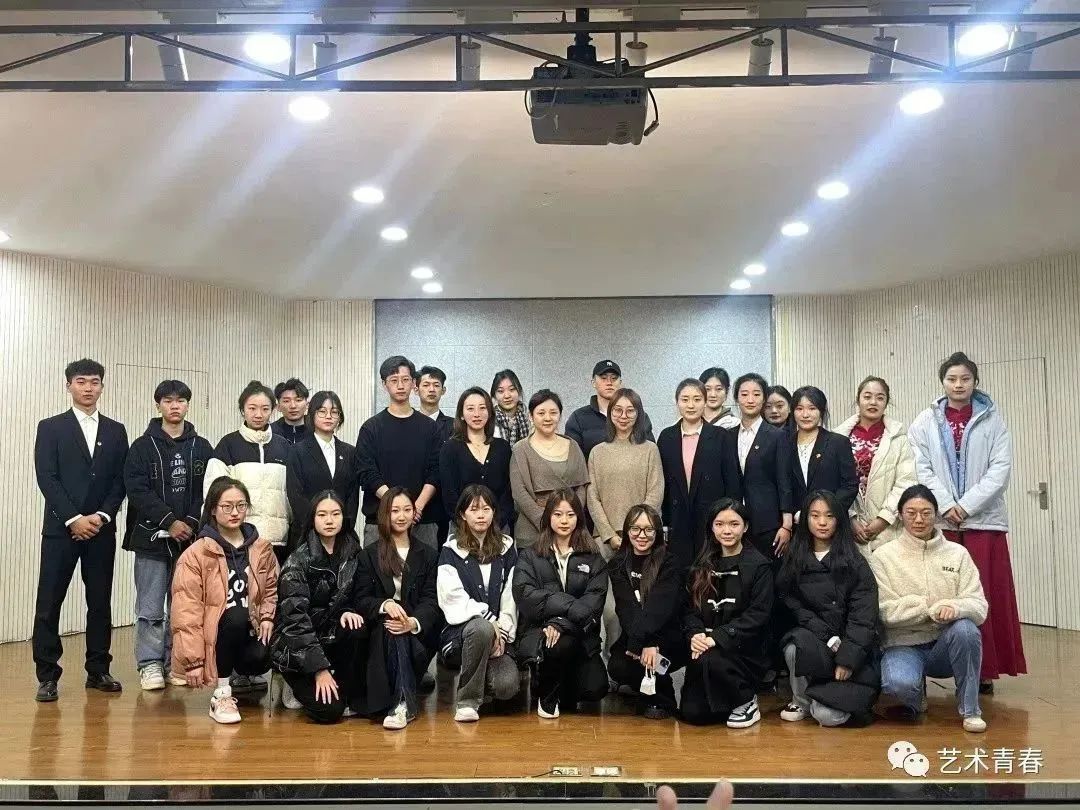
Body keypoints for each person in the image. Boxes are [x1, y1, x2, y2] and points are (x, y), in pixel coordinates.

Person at [907, 352, 1025, 692]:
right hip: (942, 523)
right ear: (942, 382)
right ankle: (935, 665)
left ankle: (983, 669)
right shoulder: (925, 421)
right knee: (941, 593)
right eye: (952, 379)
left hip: (983, 523)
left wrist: (967, 505)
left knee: (984, 593)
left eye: (965, 379)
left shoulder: (993, 420)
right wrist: (946, 505)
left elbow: (1000, 469)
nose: (958, 385)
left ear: (975, 382)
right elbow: (921, 466)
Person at [33, 358, 130, 703]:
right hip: (61, 530)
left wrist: (101, 516)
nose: (88, 388)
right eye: (81, 381)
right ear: (68, 386)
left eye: (94, 382)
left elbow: (121, 479)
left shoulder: (116, 430)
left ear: (102, 386)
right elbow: (47, 477)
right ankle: (47, 675)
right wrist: (74, 518)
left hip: (101, 531)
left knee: (99, 602)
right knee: (49, 603)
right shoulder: (51, 427)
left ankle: (98, 669)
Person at [871, 485, 989, 733]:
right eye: (911, 512)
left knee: (966, 629)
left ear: (936, 515)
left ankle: (970, 709)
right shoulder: (882, 556)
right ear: (900, 515)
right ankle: (915, 696)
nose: (919, 519)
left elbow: (979, 606)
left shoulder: (958, 554)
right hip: (903, 644)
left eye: (926, 513)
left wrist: (954, 607)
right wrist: (926, 608)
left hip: (944, 645)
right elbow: (882, 611)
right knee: (898, 685)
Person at [123, 379, 213, 691]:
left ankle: (177, 661)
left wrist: (189, 522)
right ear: (158, 405)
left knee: (184, 605)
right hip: (150, 539)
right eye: (168, 401)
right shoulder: (141, 447)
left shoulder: (202, 447)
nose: (175, 406)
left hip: (190, 540)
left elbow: (209, 490)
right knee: (150, 607)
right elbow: (136, 490)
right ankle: (149, 664)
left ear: (188, 405)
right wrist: (169, 521)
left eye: (180, 401)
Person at [171, 477, 278, 724]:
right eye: (227, 506)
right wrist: (193, 662)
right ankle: (221, 694)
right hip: (217, 633)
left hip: (251, 630)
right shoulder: (196, 554)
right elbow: (186, 612)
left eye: (241, 505)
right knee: (235, 614)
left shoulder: (261, 548)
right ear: (212, 509)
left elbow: (271, 588)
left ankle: (273, 681)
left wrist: (267, 616)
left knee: (276, 630)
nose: (235, 513)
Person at [775, 490, 880, 727]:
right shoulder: (794, 557)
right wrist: (825, 634)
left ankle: (821, 701)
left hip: (849, 645)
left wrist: (848, 658)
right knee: (793, 646)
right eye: (815, 516)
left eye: (829, 516)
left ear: (839, 520)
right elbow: (789, 601)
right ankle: (801, 701)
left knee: (828, 717)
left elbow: (863, 616)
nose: (822, 522)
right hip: (816, 640)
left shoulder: (855, 562)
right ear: (806, 519)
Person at [270, 491, 368, 724]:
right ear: (312, 519)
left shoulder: (354, 553)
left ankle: (341, 684)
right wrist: (318, 669)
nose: (329, 520)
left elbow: (360, 595)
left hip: (331, 637)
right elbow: (295, 621)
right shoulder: (297, 561)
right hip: (297, 646)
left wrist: (348, 610)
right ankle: (292, 678)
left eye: (335, 514)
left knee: (358, 627)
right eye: (322, 515)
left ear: (344, 517)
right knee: (330, 712)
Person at [514, 489, 609, 718]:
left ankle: (561, 686)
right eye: (557, 514)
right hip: (541, 633)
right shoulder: (530, 555)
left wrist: (559, 623)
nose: (564, 520)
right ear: (548, 517)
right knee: (557, 643)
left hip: (580, 635)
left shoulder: (593, 557)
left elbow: (593, 604)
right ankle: (546, 691)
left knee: (595, 688)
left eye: (570, 514)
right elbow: (526, 596)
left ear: (579, 518)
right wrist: (565, 612)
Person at [680, 499, 773, 727]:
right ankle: (725, 701)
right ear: (712, 528)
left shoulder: (759, 566)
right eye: (719, 524)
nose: (727, 531)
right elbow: (690, 609)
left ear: (745, 527)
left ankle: (746, 699)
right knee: (693, 714)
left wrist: (718, 637)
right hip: (706, 647)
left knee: (711, 658)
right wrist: (696, 634)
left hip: (744, 649)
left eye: (734, 524)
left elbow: (758, 615)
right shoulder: (702, 564)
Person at [355, 487, 442, 730]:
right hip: (380, 637)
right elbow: (361, 599)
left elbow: (432, 600)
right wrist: (386, 604)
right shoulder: (369, 555)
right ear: (385, 514)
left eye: (407, 510)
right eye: (395, 511)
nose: (401, 516)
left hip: (418, 636)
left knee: (400, 629)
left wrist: (412, 623)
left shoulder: (429, 555)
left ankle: (402, 703)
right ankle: (403, 704)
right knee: (393, 628)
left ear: (414, 513)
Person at [437, 485, 521, 722]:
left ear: (494, 512)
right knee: (481, 628)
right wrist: (490, 621)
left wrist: (502, 631)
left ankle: (481, 677)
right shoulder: (451, 550)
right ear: (463, 514)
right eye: (474, 510)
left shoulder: (507, 547)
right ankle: (467, 702)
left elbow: (511, 595)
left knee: (506, 687)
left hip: (500, 637)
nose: (481, 515)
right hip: (461, 636)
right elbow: (451, 597)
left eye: (486, 509)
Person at [606, 504, 686, 719]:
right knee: (618, 666)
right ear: (627, 531)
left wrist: (651, 643)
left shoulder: (670, 562)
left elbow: (661, 607)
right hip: (636, 636)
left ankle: (664, 695)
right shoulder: (617, 563)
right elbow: (626, 607)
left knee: (655, 658)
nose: (642, 535)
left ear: (657, 532)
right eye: (635, 528)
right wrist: (642, 643)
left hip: (667, 635)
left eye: (649, 529)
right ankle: (647, 687)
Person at [354, 355, 441, 549]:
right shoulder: (371, 428)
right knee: (377, 568)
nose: (400, 385)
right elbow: (366, 472)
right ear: (384, 385)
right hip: (381, 521)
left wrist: (416, 507)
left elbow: (436, 471)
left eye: (405, 379)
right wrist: (396, 507)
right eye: (394, 380)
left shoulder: (430, 427)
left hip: (422, 520)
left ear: (414, 383)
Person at [656, 379, 742, 572]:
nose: (691, 405)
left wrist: (730, 519)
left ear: (705, 402)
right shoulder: (666, 437)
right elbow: (663, 483)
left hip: (712, 519)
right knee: (680, 573)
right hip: (677, 520)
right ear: (677, 402)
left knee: (710, 571)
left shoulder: (721, 436)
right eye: (685, 399)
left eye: (697, 399)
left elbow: (732, 482)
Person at [205, 380, 291, 559]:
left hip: (278, 540)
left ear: (273, 410)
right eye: (252, 408)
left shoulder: (284, 447)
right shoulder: (227, 445)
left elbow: (292, 493)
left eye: (265, 409)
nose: (258, 414)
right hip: (238, 540)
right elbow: (212, 492)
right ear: (242, 410)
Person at [836, 376, 917, 555]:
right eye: (867, 397)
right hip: (847, 528)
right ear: (858, 400)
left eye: (880, 397)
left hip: (889, 527)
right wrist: (850, 519)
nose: (873, 402)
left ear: (886, 402)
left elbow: (906, 482)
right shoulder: (838, 438)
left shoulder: (899, 439)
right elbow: (833, 482)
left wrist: (883, 519)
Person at [586, 388, 664, 555]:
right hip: (606, 539)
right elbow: (593, 498)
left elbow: (655, 493)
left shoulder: (650, 450)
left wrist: (636, 531)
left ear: (638, 414)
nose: (623, 416)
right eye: (618, 410)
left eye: (630, 411)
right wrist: (609, 535)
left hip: (642, 538)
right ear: (610, 412)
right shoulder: (597, 452)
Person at [510, 390, 589, 548]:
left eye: (553, 412)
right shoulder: (521, 449)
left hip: (571, 529)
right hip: (533, 530)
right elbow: (519, 492)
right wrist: (546, 522)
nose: (548, 418)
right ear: (531, 416)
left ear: (560, 415)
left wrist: (570, 517)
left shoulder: (573, 445)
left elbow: (582, 486)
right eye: (541, 413)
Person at [729, 373, 793, 562]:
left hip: (768, 523)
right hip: (734, 522)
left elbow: (784, 480)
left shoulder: (776, 436)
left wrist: (786, 524)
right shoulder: (728, 436)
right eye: (744, 394)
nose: (750, 400)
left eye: (756, 394)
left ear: (764, 399)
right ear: (736, 398)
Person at [285, 390, 359, 550]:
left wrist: (342, 526)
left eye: (334, 412)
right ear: (312, 414)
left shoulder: (349, 452)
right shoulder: (297, 451)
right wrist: (317, 525)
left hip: (342, 536)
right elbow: (295, 494)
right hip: (306, 536)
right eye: (322, 411)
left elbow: (352, 497)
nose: (328, 416)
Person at [439, 387, 514, 533]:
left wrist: (495, 524)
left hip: (498, 528)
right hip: (462, 529)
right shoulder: (450, 448)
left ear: (490, 412)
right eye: (470, 409)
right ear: (461, 414)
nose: (477, 414)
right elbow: (449, 495)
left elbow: (508, 492)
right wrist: (466, 524)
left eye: (482, 408)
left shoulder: (503, 448)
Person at [788, 386, 858, 519]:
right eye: (799, 409)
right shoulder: (784, 444)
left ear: (821, 411)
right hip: (796, 522)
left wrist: (826, 513)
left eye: (812, 408)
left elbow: (849, 485)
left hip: (832, 521)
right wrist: (795, 513)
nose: (805, 414)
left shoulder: (838, 443)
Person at [565, 360, 654, 460]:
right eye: (603, 378)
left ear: (620, 383)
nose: (609, 382)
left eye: (614, 378)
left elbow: (650, 453)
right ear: (593, 382)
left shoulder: (638, 416)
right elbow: (573, 459)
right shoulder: (579, 417)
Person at [416, 365, 454, 546]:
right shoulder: (407, 424)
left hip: (442, 509)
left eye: (436, 385)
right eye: (426, 385)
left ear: (443, 390)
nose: (431, 389)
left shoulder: (455, 427)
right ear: (416, 389)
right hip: (410, 504)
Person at [490, 369, 531, 445]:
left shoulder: (530, 419)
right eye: (501, 391)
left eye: (512, 389)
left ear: (519, 391)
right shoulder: (489, 421)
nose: (507, 396)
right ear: (494, 395)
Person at [271, 378, 310, 446]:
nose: (293, 406)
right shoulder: (270, 432)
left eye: (298, 400)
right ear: (278, 407)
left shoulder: (317, 431)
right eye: (286, 401)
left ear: (307, 405)